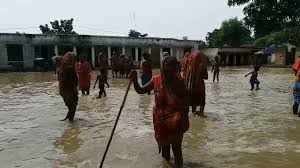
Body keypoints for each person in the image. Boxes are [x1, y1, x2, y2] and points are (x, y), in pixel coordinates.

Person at [130, 56, 189, 166]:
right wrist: (134, 80)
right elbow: (141, 90)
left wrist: (183, 122)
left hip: (175, 122)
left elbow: (186, 105)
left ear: (176, 69)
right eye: (166, 71)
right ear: (162, 69)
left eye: (172, 71)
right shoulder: (156, 80)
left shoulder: (179, 83)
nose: (169, 74)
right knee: (165, 152)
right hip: (161, 122)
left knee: (177, 151)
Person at [59, 52, 78, 122]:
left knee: (70, 105)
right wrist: (75, 88)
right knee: (73, 105)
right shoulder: (70, 68)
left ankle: (69, 118)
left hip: (63, 90)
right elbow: (75, 79)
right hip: (69, 90)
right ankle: (71, 120)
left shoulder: (62, 67)